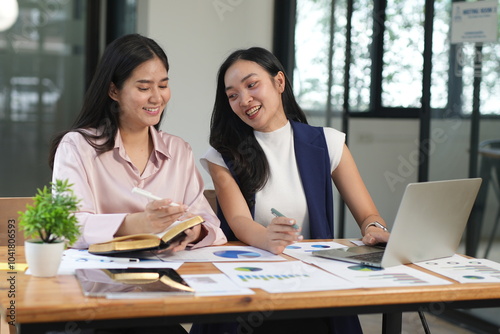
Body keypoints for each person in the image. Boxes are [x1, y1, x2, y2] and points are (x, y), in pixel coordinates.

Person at [192, 47, 390, 334]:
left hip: (314, 285)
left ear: (279, 82)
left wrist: (374, 228)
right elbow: (238, 221)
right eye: (232, 95)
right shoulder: (222, 156)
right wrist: (267, 237)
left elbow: (368, 214)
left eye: (251, 85)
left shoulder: (328, 143)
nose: (244, 100)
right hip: (249, 289)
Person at [48, 34, 227, 334]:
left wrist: (188, 230)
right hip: (93, 301)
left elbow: (210, 226)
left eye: (163, 85)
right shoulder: (78, 147)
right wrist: (139, 223)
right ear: (114, 90)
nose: (157, 97)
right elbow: (68, 226)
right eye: (144, 87)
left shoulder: (178, 151)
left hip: (158, 295)